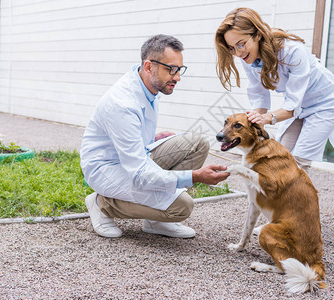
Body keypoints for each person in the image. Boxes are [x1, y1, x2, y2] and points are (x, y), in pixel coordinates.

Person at [80, 34, 229, 239]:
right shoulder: (122, 103)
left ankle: (155, 221)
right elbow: (140, 174)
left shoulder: (149, 86)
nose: (177, 77)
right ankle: (102, 203)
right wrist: (195, 176)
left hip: (132, 160)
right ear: (149, 66)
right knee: (181, 207)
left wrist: (154, 139)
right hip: (107, 169)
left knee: (197, 144)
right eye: (171, 69)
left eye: (179, 69)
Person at [215, 7, 334, 170]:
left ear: (257, 35)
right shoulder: (248, 57)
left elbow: (293, 104)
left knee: (299, 161)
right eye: (232, 48)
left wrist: (267, 118)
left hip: (324, 103)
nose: (238, 53)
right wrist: (256, 119)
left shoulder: (293, 51)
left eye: (241, 44)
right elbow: (259, 93)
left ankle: (295, 195)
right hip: (298, 106)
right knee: (281, 155)